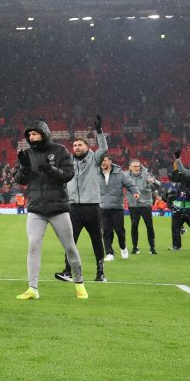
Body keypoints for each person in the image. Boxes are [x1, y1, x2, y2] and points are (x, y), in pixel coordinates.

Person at [14, 120, 88, 301]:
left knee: (69, 246)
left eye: (34, 133)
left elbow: (68, 175)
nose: (31, 137)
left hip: (57, 208)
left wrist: (50, 168)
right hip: (36, 208)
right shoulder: (26, 154)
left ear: (44, 133)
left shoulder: (60, 150)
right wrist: (24, 168)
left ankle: (79, 283)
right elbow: (20, 180)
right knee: (33, 246)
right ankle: (32, 288)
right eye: (29, 135)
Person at [58, 118, 108, 283]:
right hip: (74, 208)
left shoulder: (95, 159)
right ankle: (67, 271)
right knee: (70, 241)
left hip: (92, 207)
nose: (77, 147)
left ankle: (100, 272)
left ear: (87, 146)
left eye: (80, 145)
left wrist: (99, 132)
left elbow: (104, 148)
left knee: (96, 240)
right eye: (74, 145)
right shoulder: (69, 162)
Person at [98, 155, 137, 261]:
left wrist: (135, 192)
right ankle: (109, 253)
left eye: (105, 160)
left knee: (119, 231)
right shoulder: (96, 173)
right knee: (106, 231)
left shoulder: (120, 173)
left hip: (117, 207)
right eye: (101, 161)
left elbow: (130, 184)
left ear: (110, 161)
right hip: (102, 207)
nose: (103, 163)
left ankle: (123, 247)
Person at [125, 159, 160, 255]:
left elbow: (158, 185)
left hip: (146, 205)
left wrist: (153, 181)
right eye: (135, 166)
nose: (137, 168)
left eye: (138, 166)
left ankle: (152, 248)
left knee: (149, 226)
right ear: (130, 168)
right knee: (134, 226)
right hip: (133, 205)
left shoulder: (146, 174)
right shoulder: (125, 175)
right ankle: (135, 248)